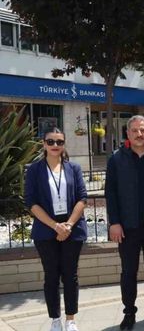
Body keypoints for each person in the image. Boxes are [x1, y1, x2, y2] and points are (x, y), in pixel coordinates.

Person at [105, 116, 144, 330]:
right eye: (134, 130)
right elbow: (111, 193)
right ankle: (129, 313)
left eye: (143, 130)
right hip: (128, 227)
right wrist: (114, 222)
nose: (139, 134)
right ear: (128, 133)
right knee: (128, 272)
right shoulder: (116, 159)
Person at [24, 128, 87, 331]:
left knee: (70, 275)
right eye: (50, 142)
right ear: (43, 144)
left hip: (72, 228)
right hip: (46, 229)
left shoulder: (74, 168)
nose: (55, 146)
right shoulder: (34, 170)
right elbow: (31, 202)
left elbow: (82, 198)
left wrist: (67, 225)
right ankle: (55, 320)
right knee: (51, 275)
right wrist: (55, 226)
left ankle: (70, 320)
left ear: (64, 144)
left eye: (59, 142)